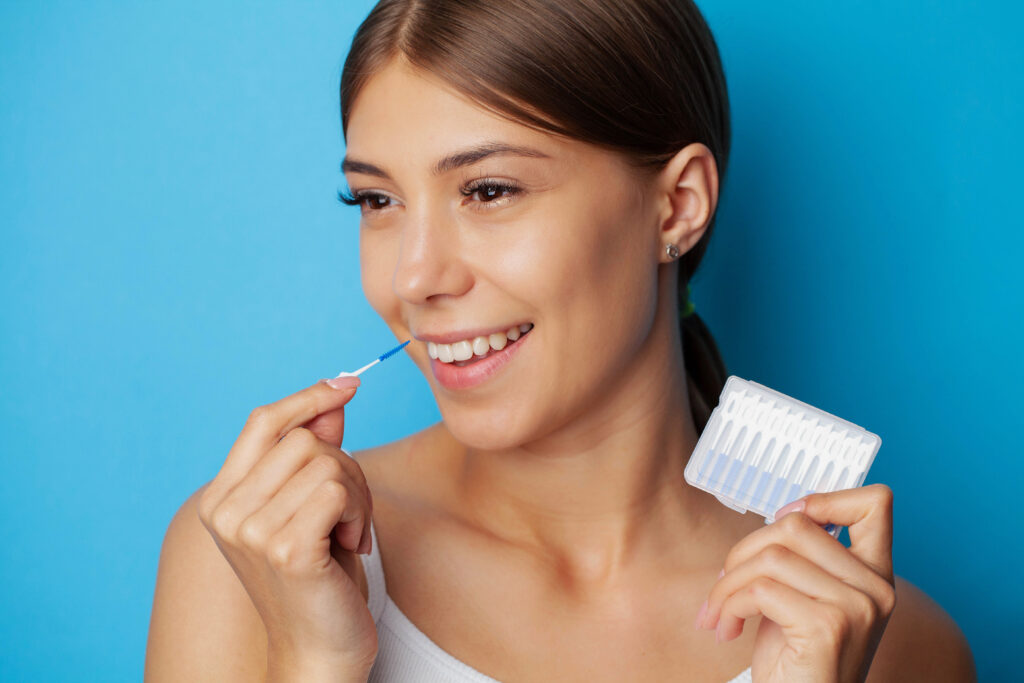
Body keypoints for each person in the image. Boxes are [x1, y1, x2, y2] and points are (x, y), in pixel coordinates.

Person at [145, 1, 976, 681]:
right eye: (376, 201)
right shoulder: (255, 565)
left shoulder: (892, 644)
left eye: (489, 189)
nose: (413, 276)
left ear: (678, 205)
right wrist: (313, 660)